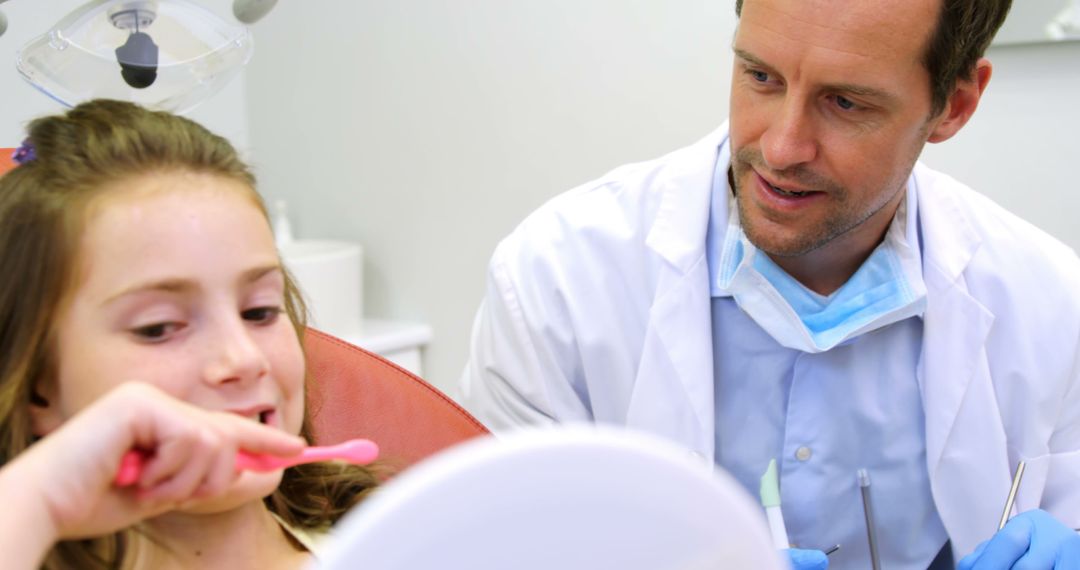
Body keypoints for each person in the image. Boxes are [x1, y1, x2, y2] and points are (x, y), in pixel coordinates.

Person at [461, 0, 1080, 568]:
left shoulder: (1052, 304)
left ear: (955, 105)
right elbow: (486, 547)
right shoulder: (556, 279)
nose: (782, 148)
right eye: (761, 77)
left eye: (847, 103)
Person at [0, 100, 380, 569]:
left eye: (260, 312)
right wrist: (38, 504)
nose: (243, 359)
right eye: (159, 328)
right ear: (39, 385)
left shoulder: (397, 541)